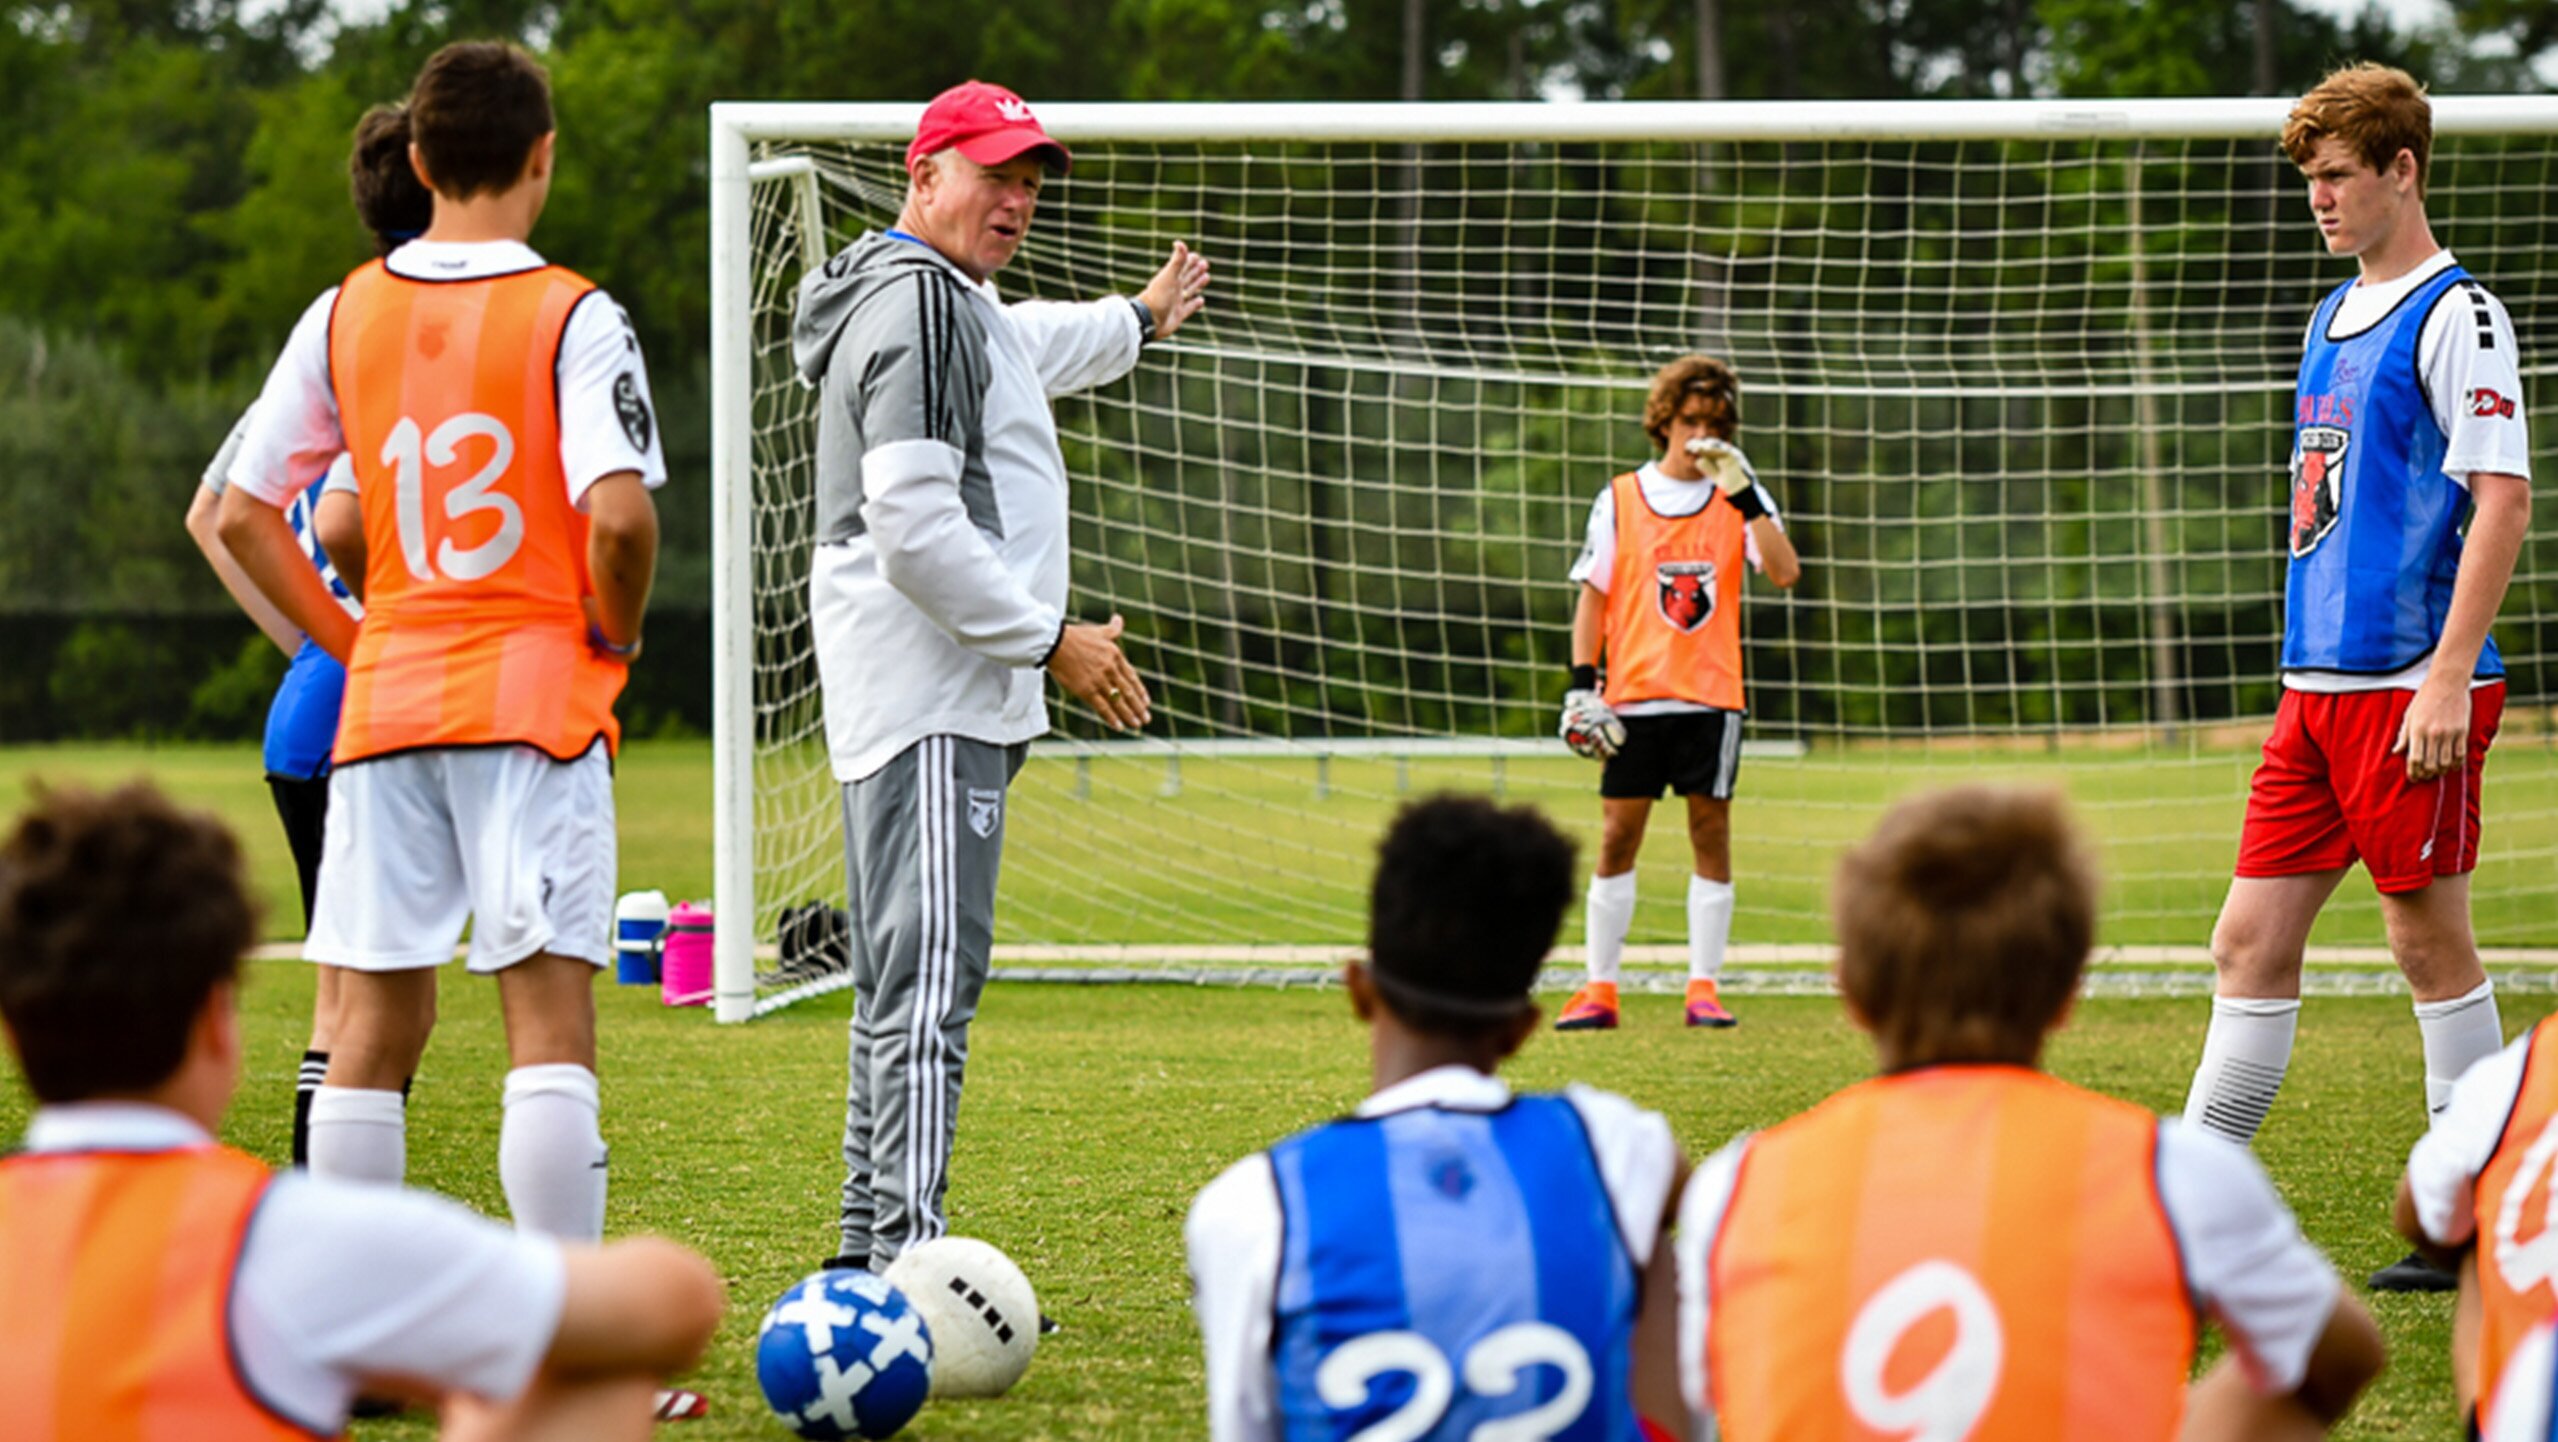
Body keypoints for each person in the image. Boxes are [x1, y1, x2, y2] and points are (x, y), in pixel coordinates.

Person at [217, 40, 663, 1262]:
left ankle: (350, 1319)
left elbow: (251, 513)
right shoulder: (575, 313)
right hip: (536, 703)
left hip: (389, 707)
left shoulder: (342, 308)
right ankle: (566, 1328)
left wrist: (359, 645)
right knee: (546, 1025)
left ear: (416, 160)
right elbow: (621, 521)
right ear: (543, 156)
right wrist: (616, 634)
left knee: (368, 1026)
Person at [792, 78, 1209, 1272]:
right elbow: (912, 524)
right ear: (923, 175)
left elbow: (1030, 342)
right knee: (927, 986)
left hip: (928, 696)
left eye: (1029, 181)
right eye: (994, 174)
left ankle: (867, 1256)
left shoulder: (944, 299)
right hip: (933, 693)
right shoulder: (921, 305)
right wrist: (1049, 637)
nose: (1017, 199)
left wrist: (1136, 318)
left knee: (900, 982)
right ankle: (903, 1266)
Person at [0, 781, 723, 1441]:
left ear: (13, 1029)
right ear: (216, 1019)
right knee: (587, 1375)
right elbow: (679, 1302)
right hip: (528, 730)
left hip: (386, 733)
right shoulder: (281, 1231)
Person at [1675, 786, 2384, 1440]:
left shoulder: (1735, 1186)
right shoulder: (2176, 1172)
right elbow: (2346, 1355)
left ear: (1852, 992)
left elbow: (1699, 1404)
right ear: (2068, 992)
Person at [2177, 61, 2532, 1295]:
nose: (2318, 198)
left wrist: (2445, 676)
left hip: (2409, 684)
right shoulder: (2332, 311)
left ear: (2401, 170)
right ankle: (2182, 1217)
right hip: (2313, 692)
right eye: (2308, 180)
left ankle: (2466, 1222)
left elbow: (2500, 499)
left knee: (2425, 944)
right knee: (2244, 940)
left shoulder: (2457, 314)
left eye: (2336, 175)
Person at [1184, 794, 1688, 1441]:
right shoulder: (1613, 1144)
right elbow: (1695, 1196)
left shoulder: (1251, 1204)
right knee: (1646, 1246)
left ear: (1358, 988)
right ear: (1523, 1029)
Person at [185, 101, 429, 1168]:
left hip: (313, 708)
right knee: (380, 1003)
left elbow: (211, 516)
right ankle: (329, 1221)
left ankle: (324, 1213)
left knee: (355, 996)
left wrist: (311, 647)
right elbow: (341, 517)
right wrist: (365, 643)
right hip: (361, 710)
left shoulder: (325, 333)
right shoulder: (400, 333)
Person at [1553, 355, 1800, 1032]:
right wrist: (1582, 685)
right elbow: (1593, 597)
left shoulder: (1740, 495)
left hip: (1711, 699)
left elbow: (1784, 572)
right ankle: (1600, 989)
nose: (1700, 434)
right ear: (1664, 420)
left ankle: (1704, 988)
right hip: (1633, 698)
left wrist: (1746, 495)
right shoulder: (1620, 497)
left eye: (1714, 422)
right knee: (1616, 837)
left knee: (1710, 833)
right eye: (1690, 419)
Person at [2391, 1005, 2558, 1426]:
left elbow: (2414, 1214)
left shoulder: (2516, 1071)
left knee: (2473, 1229)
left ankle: (2489, 1420)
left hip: (2532, 1404)